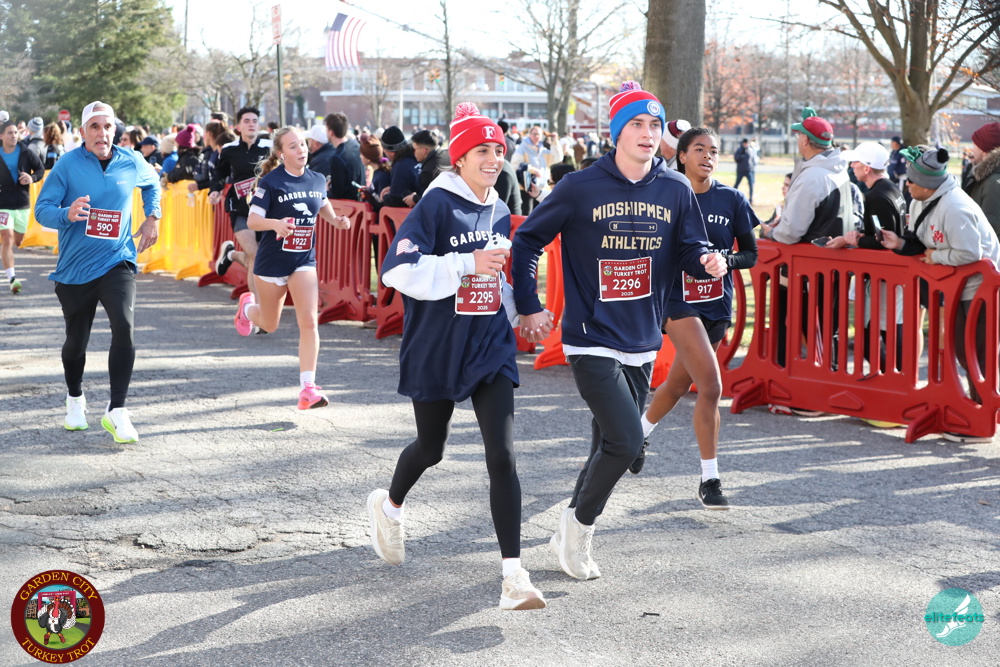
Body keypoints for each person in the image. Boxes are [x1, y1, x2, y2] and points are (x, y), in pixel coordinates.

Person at [511, 82, 727, 581]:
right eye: (636, 124)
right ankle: (580, 528)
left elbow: (689, 247)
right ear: (615, 133)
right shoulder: (579, 186)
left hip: (643, 336)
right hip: (590, 336)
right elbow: (526, 242)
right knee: (628, 442)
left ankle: (568, 527)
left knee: (606, 441)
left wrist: (706, 260)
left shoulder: (675, 188)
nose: (648, 133)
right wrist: (529, 305)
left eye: (655, 125)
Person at [365, 103, 546, 611]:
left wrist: (522, 313)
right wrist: (466, 262)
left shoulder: (501, 208)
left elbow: (497, 277)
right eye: (481, 151)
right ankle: (390, 506)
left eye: (498, 150)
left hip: (488, 344)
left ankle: (514, 576)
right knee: (432, 447)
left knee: (502, 456)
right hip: (438, 344)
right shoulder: (436, 204)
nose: (493, 159)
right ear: (460, 158)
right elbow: (396, 271)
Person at [639, 127, 759, 509]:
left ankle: (636, 436)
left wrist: (727, 260)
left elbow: (751, 252)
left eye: (714, 151)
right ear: (682, 156)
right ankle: (710, 480)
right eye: (699, 149)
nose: (708, 156)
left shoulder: (732, 198)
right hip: (678, 302)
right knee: (711, 386)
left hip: (717, 304)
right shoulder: (667, 194)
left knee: (677, 384)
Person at [34, 101, 161, 443]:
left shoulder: (131, 160)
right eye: (95, 127)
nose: (102, 133)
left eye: (107, 127)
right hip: (75, 269)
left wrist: (152, 216)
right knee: (76, 342)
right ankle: (75, 398)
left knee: (125, 326)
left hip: (117, 260)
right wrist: (66, 214)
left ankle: (117, 410)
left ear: (114, 130)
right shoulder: (67, 164)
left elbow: (153, 183)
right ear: (83, 132)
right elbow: (42, 210)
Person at [880, 146, 1000, 442]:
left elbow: (970, 253)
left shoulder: (955, 207)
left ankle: (981, 420)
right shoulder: (920, 200)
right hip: (960, 287)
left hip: (980, 288)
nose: (906, 183)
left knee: (978, 353)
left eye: (911, 180)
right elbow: (920, 240)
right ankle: (977, 409)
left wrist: (936, 256)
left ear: (927, 184)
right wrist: (899, 244)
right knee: (962, 349)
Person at [232, 127, 351, 408]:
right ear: (281, 153)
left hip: (303, 261)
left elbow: (322, 205)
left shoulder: (317, 179)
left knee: (309, 321)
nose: (301, 151)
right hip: (272, 263)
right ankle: (247, 308)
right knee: (270, 324)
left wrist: (336, 221)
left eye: (303, 145)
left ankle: (307, 389)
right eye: (293, 146)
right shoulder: (271, 182)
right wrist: (276, 224)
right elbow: (253, 220)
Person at [759, 108, 852, 387]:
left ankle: (814, 387)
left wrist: (770, 231)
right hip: (831, 264)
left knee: (811, 328)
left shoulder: (814, 176)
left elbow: (790, 232)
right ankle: (821, 383)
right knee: (823, 328)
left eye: (799, 135)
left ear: (804, 140)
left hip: (809, 268)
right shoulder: (838, 170)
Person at [826, 141, 907, 375]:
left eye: (856, 162)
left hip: (885, 276)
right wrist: (862, 237)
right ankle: (897, 377)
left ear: (867, 168)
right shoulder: (890, 188)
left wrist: (853, 241)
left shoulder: (877, 195)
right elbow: (884, 233)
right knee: (888, 329)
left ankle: (894, 379)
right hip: (894, 274)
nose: (852, 165)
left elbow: (883, 240)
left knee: (873, 333)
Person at [210, 106, 272, 300]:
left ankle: (232, 255)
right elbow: (219, 173)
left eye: (254, 121)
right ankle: (257, 307)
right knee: (255, 255)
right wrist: (215, 189)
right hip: (240, 208)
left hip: (265, 209)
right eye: (246, 121)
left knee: (260, 258)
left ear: (259, 125)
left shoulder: (270, 147)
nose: (251, 124)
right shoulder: (229, 149)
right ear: (238, 127)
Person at [0, 120, 45, 293]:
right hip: (3, 204)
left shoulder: (26, 152)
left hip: (22, 203)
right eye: (10, 133)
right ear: (1, 136)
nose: (14, 136)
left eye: (15, 132)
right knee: (7, 237)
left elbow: (40, 170)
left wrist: (31, 178)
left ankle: (11, 269)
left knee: (18, 241)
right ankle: (12, 278)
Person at [964, 122, 1000, 236]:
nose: (972, 150)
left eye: (974, 145)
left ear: (984, 150)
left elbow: (990, 228)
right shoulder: (987, 177)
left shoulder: (993, 183)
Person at [405, 129, 450, 206]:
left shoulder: (428, 171)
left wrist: (414, 198)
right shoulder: (448, 154)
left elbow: (430, 201)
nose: (413, 152)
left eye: (414, 149)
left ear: (424, 151)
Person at [326, 112, 365, 201]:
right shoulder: (356, 145)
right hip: (361, 201)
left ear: (331, 133)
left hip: (347, 205)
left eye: (326, 130)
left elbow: (337, 194)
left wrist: (327, 191)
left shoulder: (337, 158)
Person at [380, 126, 419, 208]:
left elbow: (395, 201)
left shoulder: (400, 166)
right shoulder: (416, 157)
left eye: (384, 150)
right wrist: (392, 188)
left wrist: (385, 196)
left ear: (391, 152)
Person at [733, 137, 757, 204]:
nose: (745, 144)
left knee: (751, 185)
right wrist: (742, 155)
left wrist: (752, 170)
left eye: (746, 143)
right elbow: (736, 158)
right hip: (740, 170)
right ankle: (733, 197)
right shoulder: (739, 150)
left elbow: (752, 160)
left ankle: (751, 199)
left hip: (749, 170)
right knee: (736, 184)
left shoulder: (750, 150)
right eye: (744, 143)